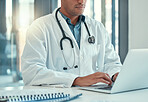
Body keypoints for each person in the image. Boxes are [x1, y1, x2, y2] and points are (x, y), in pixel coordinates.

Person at [21, 0, 122, 87]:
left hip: (93, 96)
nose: (81, 1)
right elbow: (31, 72)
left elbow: (112, 62)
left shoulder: (97, 27)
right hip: (58, 97)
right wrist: (75, 80)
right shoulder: (40, 27)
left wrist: (115, 75)